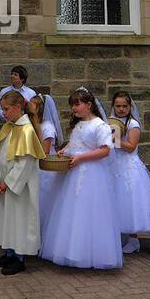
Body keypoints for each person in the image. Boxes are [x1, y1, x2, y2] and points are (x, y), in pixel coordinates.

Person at [39, 87, 121, 270]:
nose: (74, 108)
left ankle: (89, 253)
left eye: (77, 104)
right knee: (70, 212)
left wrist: (81, 158)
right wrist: (64, 150)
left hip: (91, 174)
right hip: (73, 172)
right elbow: (76, 142)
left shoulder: (100, 125)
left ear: (89, 105)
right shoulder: (79, 124)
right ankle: (70, 251)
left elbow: (105, 150)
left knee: (87, 213)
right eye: (72, 105)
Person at [0, 90, 44, 275]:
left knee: (19, 219)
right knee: (7, 219)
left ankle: (19, 257)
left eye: (6, 109)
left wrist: (8, 183)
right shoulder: (8, 127)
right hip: (4, 184)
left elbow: (25, 164)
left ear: (18, 108)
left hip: (20, 188)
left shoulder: (27, 131)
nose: (3, 113)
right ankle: (9, 252)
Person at [107, 90, 150, 254]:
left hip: (129, 166)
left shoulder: (133, 124)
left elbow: (130, 147)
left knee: (129, 202)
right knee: (115, 200)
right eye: (118, 106)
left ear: (130, 107)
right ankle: (120, 236)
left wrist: (114, 139)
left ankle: (133, 239)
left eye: (124, 106)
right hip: (114, 164)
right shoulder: (110, 122)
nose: (121, 109)